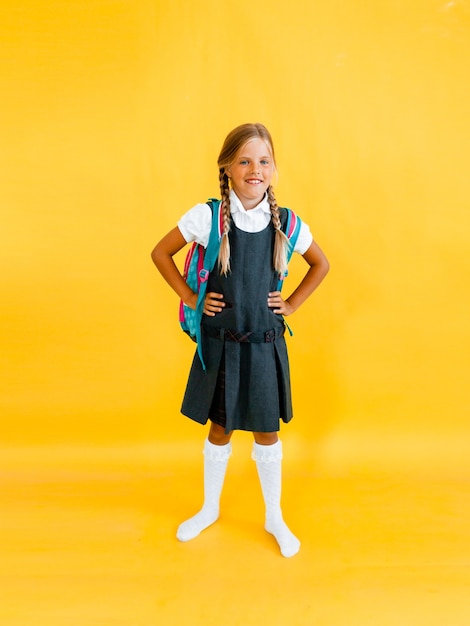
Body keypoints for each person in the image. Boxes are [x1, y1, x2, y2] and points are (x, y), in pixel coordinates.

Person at [151, 123, 329, 557]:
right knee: (220, 428)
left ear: (274, 169)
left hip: (266, 343)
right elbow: (160, 252)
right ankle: (209, 508)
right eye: (245, 161)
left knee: (267, 432)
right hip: (220, 344)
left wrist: (291, 303)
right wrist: (192, 297)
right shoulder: (207, 217)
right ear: (227, 167)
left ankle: (274, 515)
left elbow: (320, 264)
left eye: (264, 161)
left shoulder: (286, 222)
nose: (255, 169)